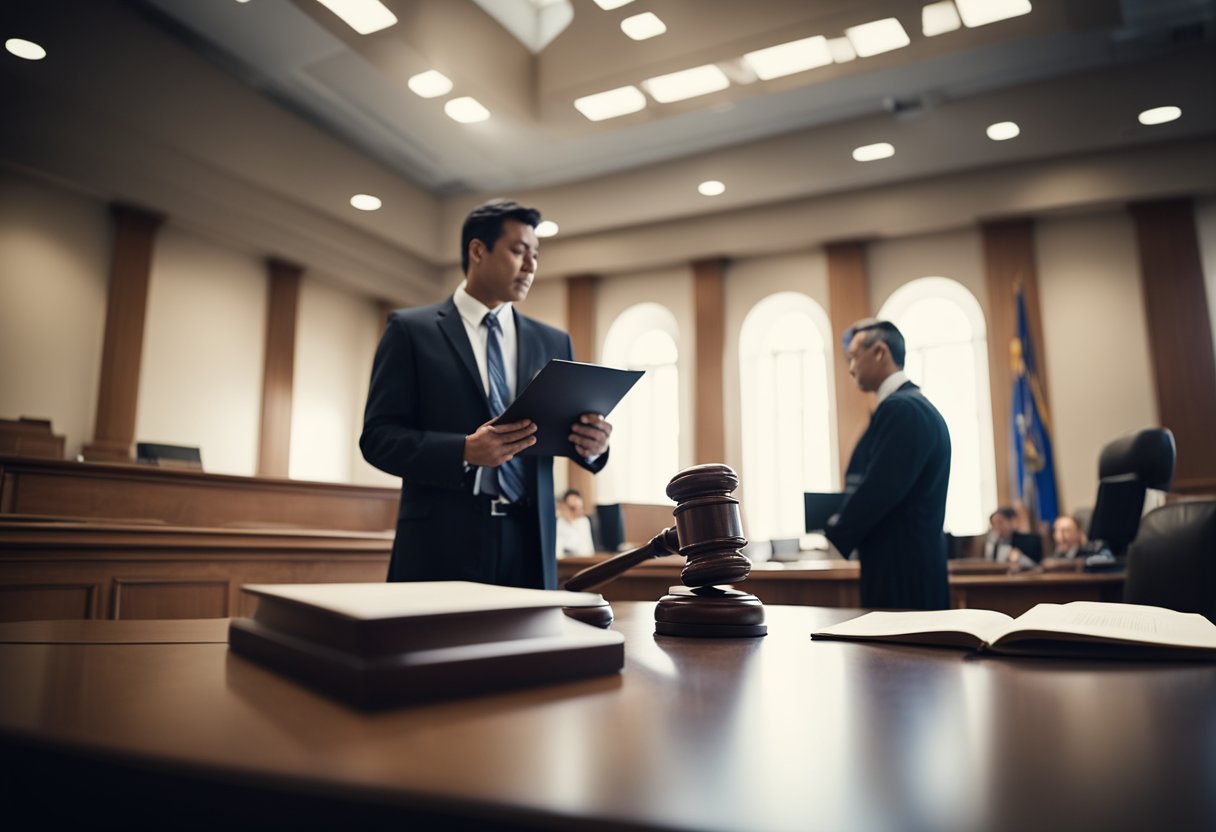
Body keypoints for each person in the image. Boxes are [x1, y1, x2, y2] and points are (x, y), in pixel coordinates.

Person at [360, 199, 611, 590]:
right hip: (441, 541)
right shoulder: (410, 331)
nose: (531, 266)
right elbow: (377, 439)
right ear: (478, 251)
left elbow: (565, 431)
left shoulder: (553, 341)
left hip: (531, 542)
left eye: (536, 255)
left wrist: (592, 445)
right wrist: (462, 450)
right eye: (518, 251)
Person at [824, 319, 951, 609]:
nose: (850, 367)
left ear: (880, 352)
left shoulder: (901, 409)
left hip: (901, 574)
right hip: (912, 565)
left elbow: (880, 489)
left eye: (854, 357)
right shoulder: (912, 406)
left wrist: (835, 531)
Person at [555, 488, 595, 557]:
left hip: (584, 559)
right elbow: (558, 551)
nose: (573, 511)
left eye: (576, 507)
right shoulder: (559, 523)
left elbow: (587, 549)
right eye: (571, 508)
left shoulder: (584, 521)